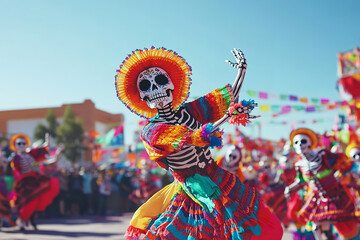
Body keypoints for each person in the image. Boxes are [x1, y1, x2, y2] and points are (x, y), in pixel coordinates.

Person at [115, 47, 283, 239]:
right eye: (146, 86)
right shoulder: (151, 130)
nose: (156, 89)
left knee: (245, 226)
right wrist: (227, 117)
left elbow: (227, 100)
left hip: (217, 176)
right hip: (191, 187)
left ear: (171, 85)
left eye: (161, 81)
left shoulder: (189, 111)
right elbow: (186, 138)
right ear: (142, 97)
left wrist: (241, 72)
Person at [285, 128, 359, 240]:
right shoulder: (299, 164)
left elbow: (343, 163)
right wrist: (289, 189)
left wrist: (338, 176)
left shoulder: (323, 155)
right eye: (296, 142)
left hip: (335, 193)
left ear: (310, 143)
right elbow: (301, 181)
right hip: (318, 196)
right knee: (316, 225)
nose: (300, 144)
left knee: (341, 222)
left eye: (303, 141)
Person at [9, 133, 62, 231]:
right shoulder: (15, 157)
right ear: (15, 145)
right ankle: (22, 222)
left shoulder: (30, 153)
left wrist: (48, 141)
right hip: (22, 182)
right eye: (19, 143)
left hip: (33, 179)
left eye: (23, 143)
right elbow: (13, 170)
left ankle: (29, 221)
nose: (21, 145)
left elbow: (43, 151)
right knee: (24, 202)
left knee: (37, 197)